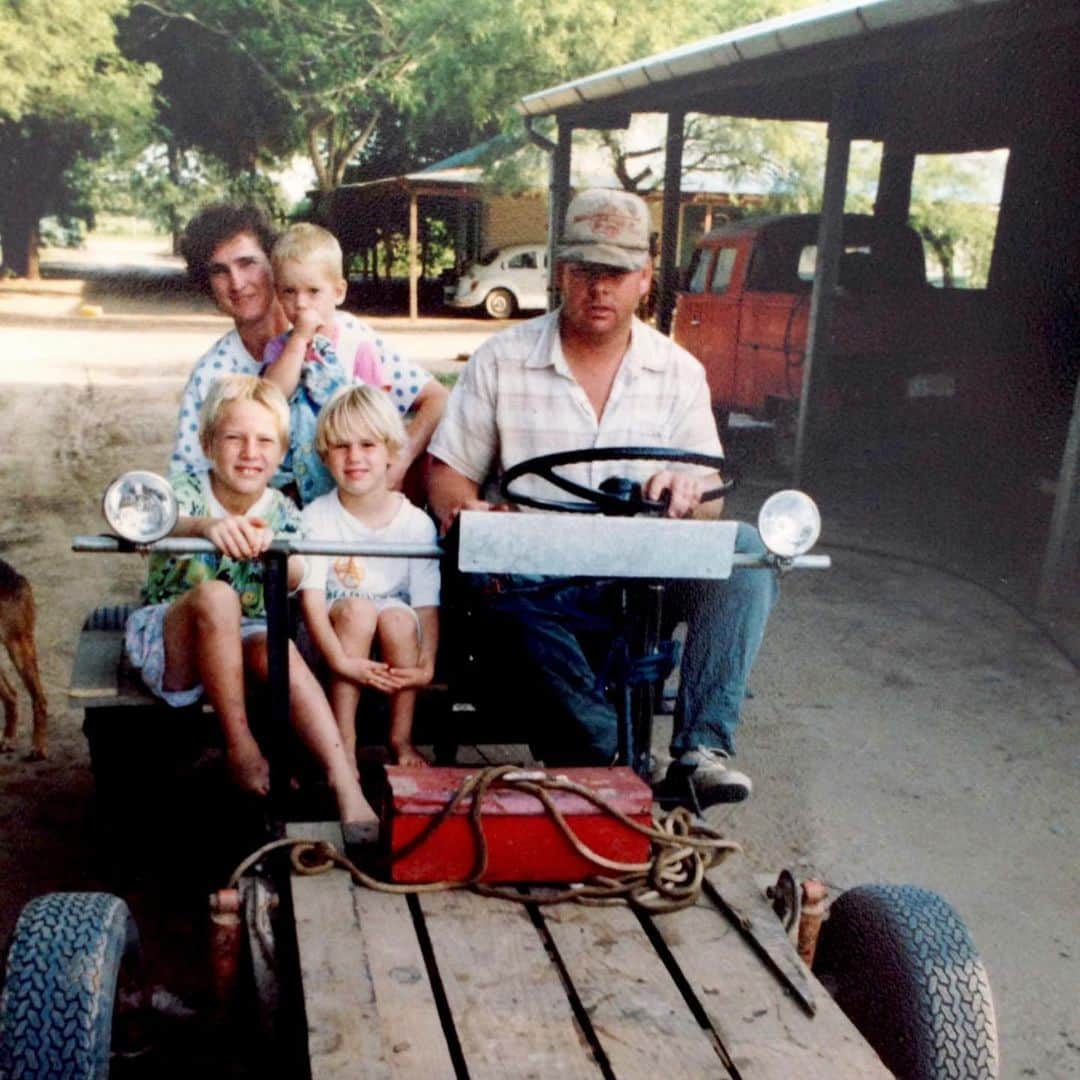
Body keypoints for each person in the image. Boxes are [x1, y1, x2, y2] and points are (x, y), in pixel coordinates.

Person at [427, 188, 778, 807]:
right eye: (586, 271)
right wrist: (471, 510)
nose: (599, 289)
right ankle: (610, 760)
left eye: (616, 273)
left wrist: (685, 490)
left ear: (644, 279)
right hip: (535, 583)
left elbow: (710, 499)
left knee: (747, 549)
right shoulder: (502, 360)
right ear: (562, 271)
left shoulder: (678, 371)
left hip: (638, 580)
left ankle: (700, 749)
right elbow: (448, 476)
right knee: (481, 568)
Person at [125, 374, 377, 832]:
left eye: (264, 441)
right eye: (234, 438)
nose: (249, 452)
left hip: (247, 639)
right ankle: (240, 747)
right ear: (206, 444)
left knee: (274, 646)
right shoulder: (183, 493)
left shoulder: (280, 509)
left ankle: (345, 782)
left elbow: (301, 574)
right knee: (218, 596)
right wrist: (203, 528)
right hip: (176, 638)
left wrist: (277, 550)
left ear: (280, 454)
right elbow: (152, 521)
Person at [172, 203, 446, 494]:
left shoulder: (350, 336)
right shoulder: (211, 374)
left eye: (247, 263)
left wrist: (397, 464)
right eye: (219, 271)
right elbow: (185, 481)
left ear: (273, 266)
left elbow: (437, 400)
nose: (236, 283)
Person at [299, 385, 440, 768]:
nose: (354, 457)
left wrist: (426, 664)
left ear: (392, 451)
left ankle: (401, 739)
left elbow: (426, 605)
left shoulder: (414, 523)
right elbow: (311, 603)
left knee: (397, 617)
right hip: (332, 639)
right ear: (325, 457)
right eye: (341, 446)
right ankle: (343, 742)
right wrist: (339, 660)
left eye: (368, 445)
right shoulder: (316, 517)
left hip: (393, 640)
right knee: (359, 611)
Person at [261, 222, 386, 505]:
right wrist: (299, 340)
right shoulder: (279, 348)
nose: (301, 303)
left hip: (345, 469)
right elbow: (273, 395)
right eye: (289, 292)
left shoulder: (357, 348)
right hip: (292, 476)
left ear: (339, 292)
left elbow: (378, 417)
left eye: (313, 291)